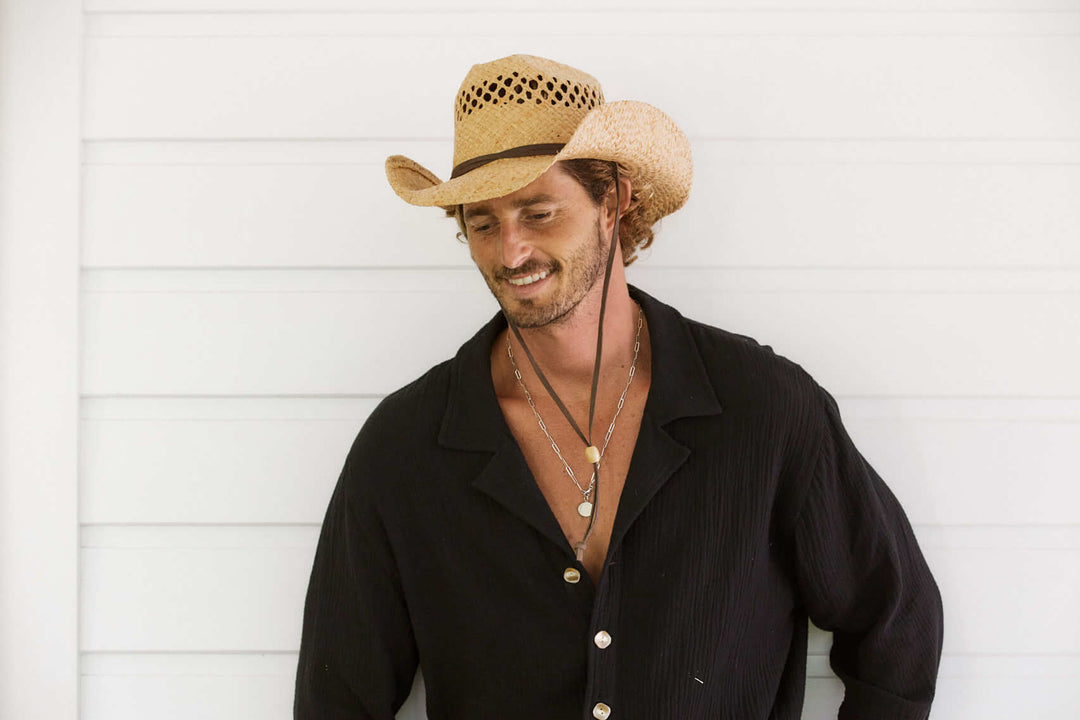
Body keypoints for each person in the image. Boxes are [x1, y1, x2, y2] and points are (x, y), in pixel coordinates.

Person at [294, 54, 943, 720]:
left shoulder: (766, 411)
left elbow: (896, 628)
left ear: (614, 200)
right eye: (482, 223)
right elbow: (336, 698)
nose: (509, 252)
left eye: (539, 212)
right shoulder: (404, 449)